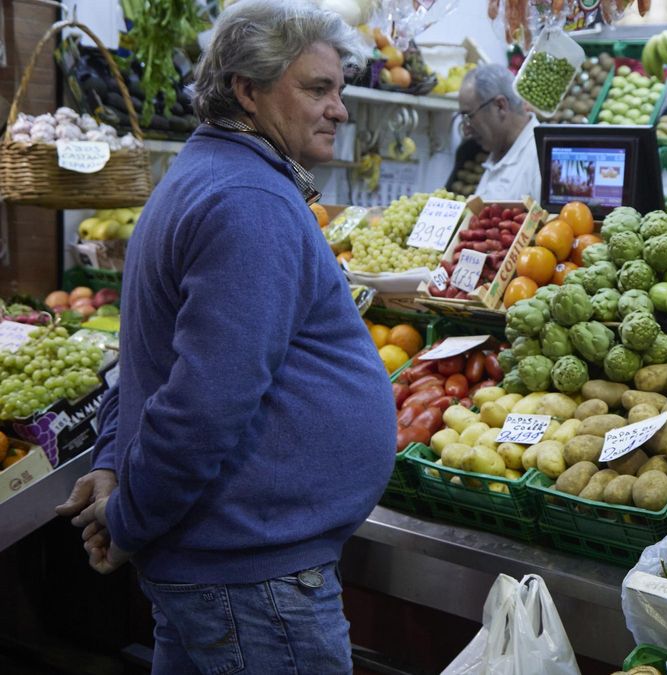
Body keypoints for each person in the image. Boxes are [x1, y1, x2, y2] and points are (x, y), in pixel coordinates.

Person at [54, 1, 396, 672]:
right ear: (248, 89)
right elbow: (204, 406)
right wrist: (126, 517)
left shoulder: (208, 174)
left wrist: (114, 463)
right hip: (253, 580)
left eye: (341, 89)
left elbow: (149, 353)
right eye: (318, 88)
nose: (340, 109)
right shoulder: (248, 200)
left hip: (229, 569)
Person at [458, 63, 542, 201]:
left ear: (500, 106)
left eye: (469, 116)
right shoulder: (498, 151)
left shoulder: (540, 161)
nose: (466, 130)